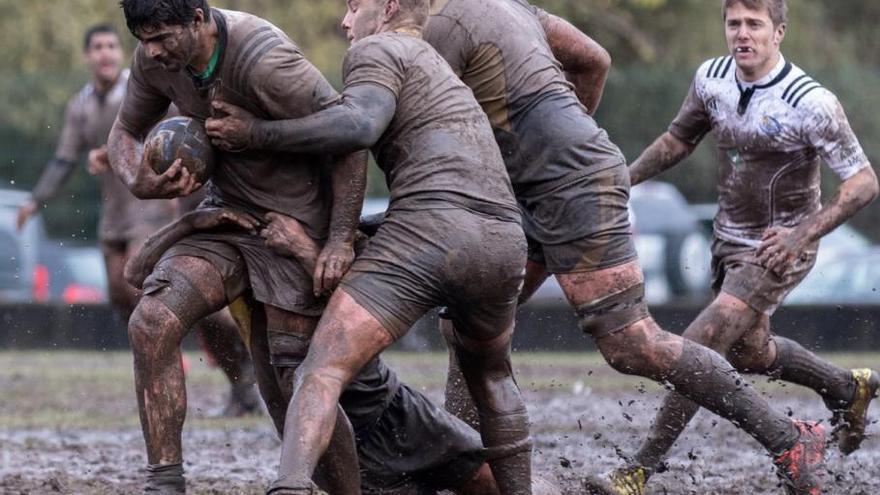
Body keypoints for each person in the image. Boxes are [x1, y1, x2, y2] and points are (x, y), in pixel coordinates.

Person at [418, 1, 830, 493]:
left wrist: (561, 156)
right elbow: (595, 59)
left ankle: (787, 436)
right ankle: (461, 464)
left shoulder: (440, 27)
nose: (348, 20)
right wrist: (568, 133)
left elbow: (426, 132)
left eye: (357, 6)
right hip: (547, 184)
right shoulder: (509, 7)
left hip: (568, 187)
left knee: (631, 344)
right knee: (466, 319)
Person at [110, 1, 496, 493]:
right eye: (144, 39)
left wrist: (337, 240)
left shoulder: (265, 60)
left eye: (162, 36)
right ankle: (164, 483)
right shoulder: (153, 61)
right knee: (152, 320)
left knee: (298, 385)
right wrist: (137, 177)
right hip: (228, 217)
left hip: (295, 228)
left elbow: (351, 141)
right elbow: (123, 134)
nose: (151, 50)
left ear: (199, 19)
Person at [206, 0, 534, 492]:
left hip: (433, 230)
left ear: (388, 6)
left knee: (321, 368)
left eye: (354, 5)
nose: (343, 21)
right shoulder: (443, 70)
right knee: (492, 378)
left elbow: (358, 128)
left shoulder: (380, 48)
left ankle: (289, 487)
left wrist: (256, 133)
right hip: (504, 242)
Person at [591, 0, 880, 493]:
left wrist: (800, 235)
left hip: (779, 249)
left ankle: (638, 469)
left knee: (700, 343)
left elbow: (863, 183)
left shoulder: (810, 101)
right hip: (728, 241)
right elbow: (678, 140)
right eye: (733, 24)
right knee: (749, 353)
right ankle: (846, 387)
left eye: (754, 24)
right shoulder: (712, 77)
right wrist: (624, 179)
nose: (742, 34)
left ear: (779, 31)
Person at [14, 23, 258, 418]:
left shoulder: (144, 87)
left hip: (153, 209)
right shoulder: (80, 105)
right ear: (87, 56)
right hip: (115, 215)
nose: (106, 53)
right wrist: (36, 200)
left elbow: (175, 134)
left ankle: (225, 358)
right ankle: (182, 345)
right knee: (118, 291)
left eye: (112, 45)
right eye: (98, 47)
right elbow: (64, 159)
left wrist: (119, 155)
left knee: (148, 285)